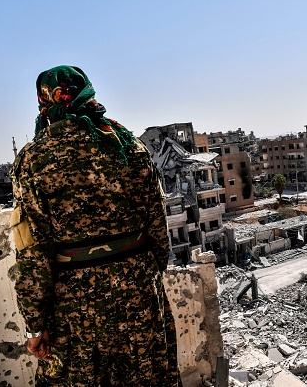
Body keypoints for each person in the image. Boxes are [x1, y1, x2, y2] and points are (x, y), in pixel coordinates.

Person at [10, 65, 182, 386]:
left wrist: (36, 324)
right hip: (139, 287)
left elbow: (33, 253)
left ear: (44, 101)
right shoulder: (129, 146)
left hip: (73, 303)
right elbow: (158, 227)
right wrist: (145, 275)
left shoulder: (33, 160)